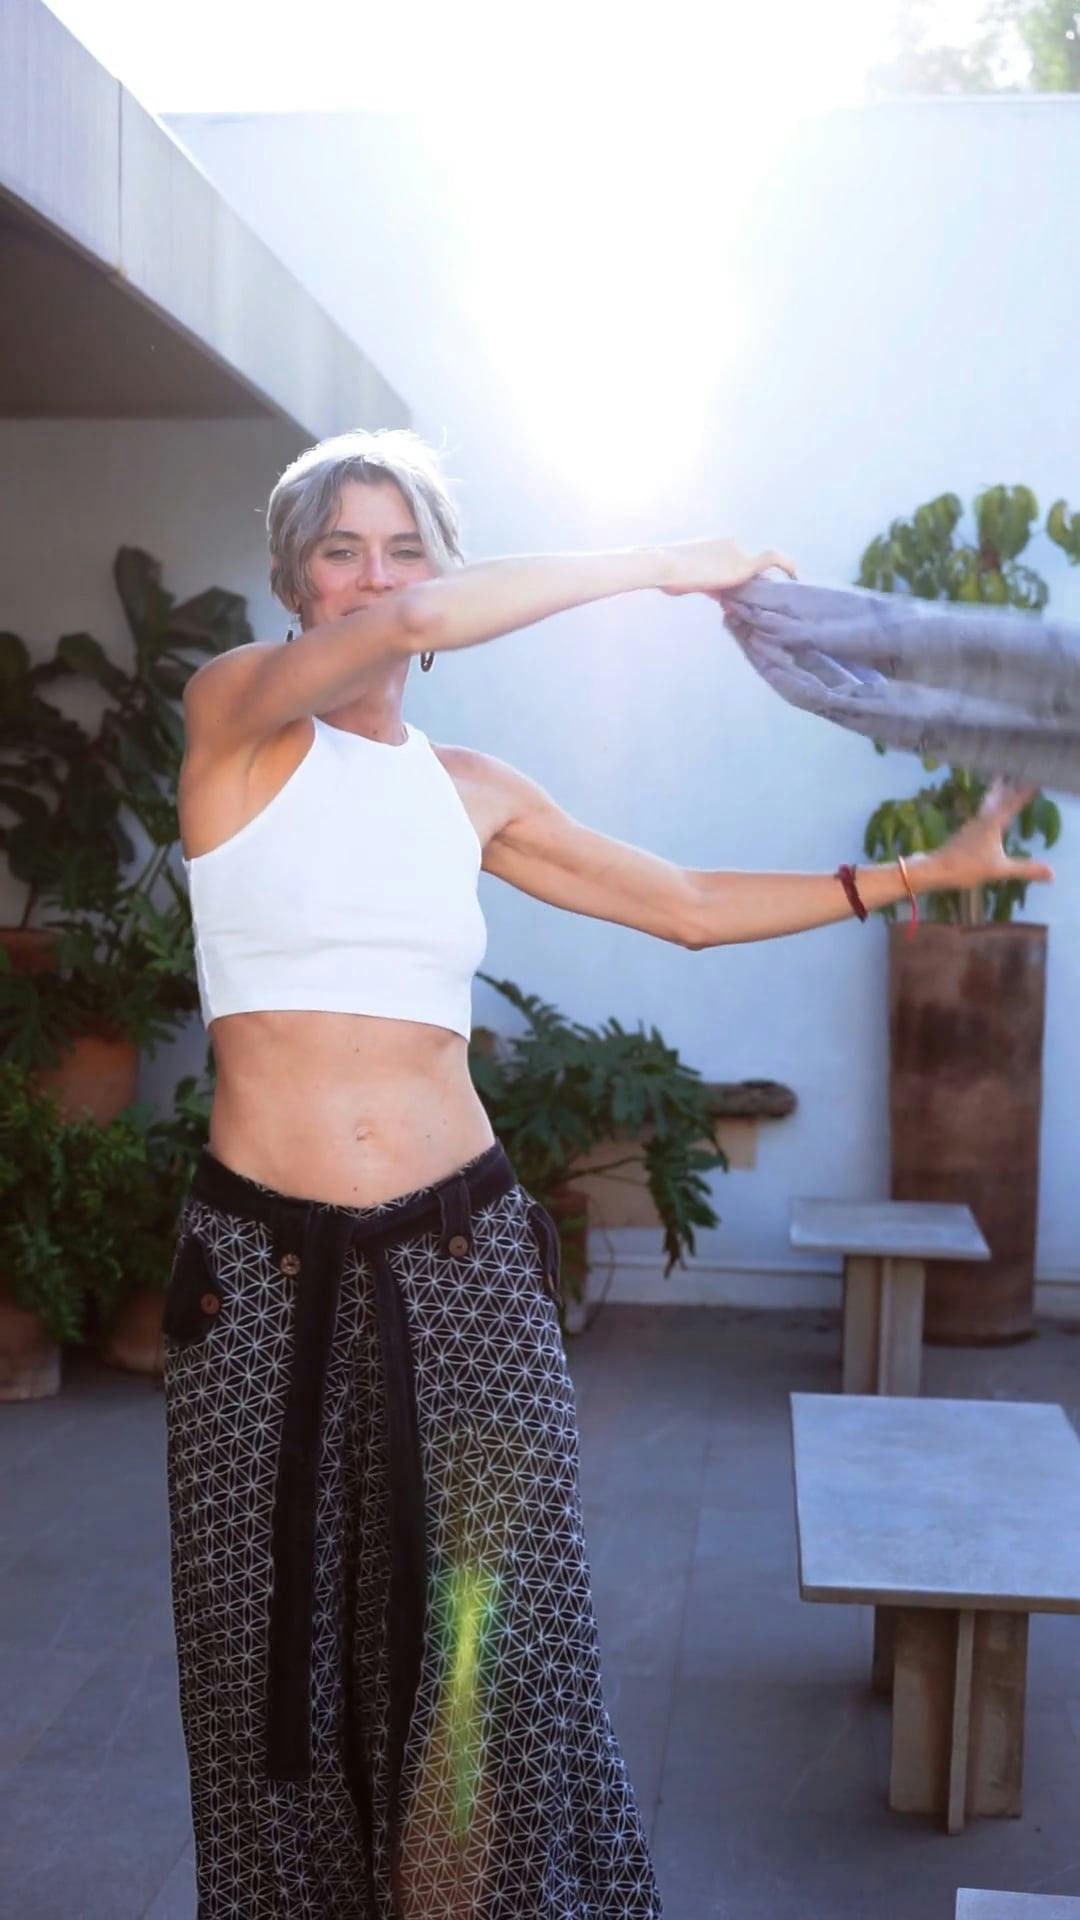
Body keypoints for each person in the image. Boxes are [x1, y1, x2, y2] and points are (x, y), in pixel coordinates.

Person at [166, 428, 1051, 1920]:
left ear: (438, 573)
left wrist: (918, 875)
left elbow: (687, 905)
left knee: (494, 1670)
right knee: (273, 1679)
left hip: (463, 1266)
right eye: (340, 549)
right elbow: (418, 624)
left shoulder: (469, 790)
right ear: (294, 584)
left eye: (404, 547)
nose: (375, 578)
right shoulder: (234, 724)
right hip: (262, 1285)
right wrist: (664, 564)